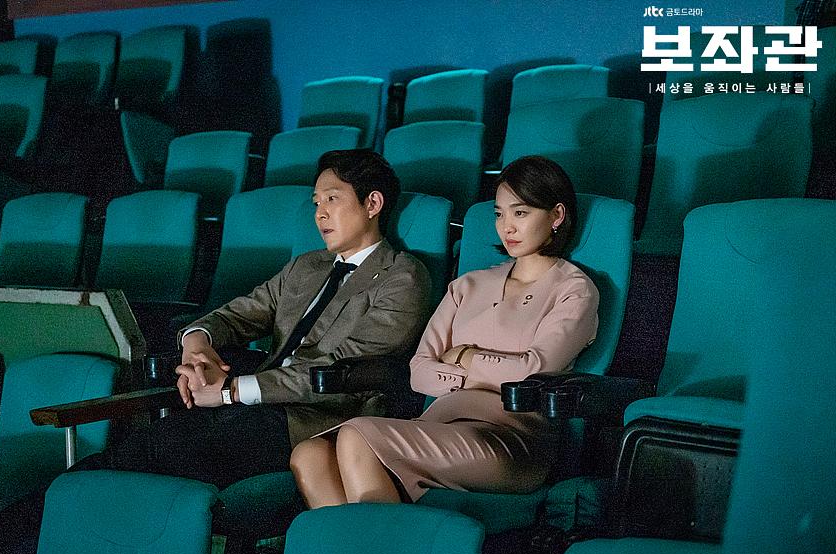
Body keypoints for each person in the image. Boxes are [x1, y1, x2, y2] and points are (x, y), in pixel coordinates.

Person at [73, 149, 431, 489]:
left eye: (332, 199)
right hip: (249, 405)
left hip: (313, 420)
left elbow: (338, 367)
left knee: (157, 461)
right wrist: (197, 346)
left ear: (372, 203)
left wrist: (230, 392)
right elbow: (239, 314)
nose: (320, 214)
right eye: (316, 203)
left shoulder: (403, 276)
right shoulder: (306, 266)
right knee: (132, 452)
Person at [290, 155, 599, 507]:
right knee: (309, 454)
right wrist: (486, 374)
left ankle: (381, 543)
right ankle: (369, 543)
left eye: (521, 213)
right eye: (499, 214)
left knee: (356, 435)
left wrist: (464, 356)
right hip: (439, 424)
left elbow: (532, 372)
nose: (507, 227)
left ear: (556, 216)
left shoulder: (574, 290)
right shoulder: (468, 285)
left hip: (511, 436)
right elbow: (420, 372)